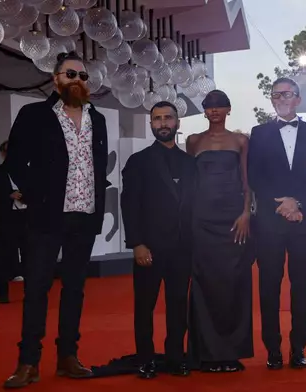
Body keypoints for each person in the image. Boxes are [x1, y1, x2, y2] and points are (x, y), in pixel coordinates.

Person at [3, 51, 109, 388]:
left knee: (75, 290)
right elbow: (15, 162)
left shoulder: (99, 119)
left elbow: (97, 165)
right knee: (36, 289)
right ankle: (28, 362)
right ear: (56, 78)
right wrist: (37, 196)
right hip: (48, 216)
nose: (77, 80)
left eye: (82, 76)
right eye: (70, 74)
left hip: (85, 216)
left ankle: (67, 357)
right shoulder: (34, 115)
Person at [248, 77, 306, 370]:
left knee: (301, 286)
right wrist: (282, 205)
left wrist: (298, 202)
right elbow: (254, 176)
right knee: (268, 286)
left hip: (304, 219)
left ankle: (298, 347)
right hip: (270, 221)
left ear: (298, 99)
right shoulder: (258, 133)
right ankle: (272, 348)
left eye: (287, 94)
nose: (281, 98)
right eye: (276, 94)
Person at [120, 101, 196, 379]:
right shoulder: (138, 161)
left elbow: (195, 205)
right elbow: (129, 205)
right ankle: (145, 359)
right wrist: (137, 243)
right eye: (157, 119)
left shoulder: (190, 163)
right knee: (144, 306)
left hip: (181, 248)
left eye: (168, 118)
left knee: (178, 305)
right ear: (151, 124)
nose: (162, 123)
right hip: (148, 248)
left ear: (177, 123)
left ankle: (176, 357)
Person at [185, 90, 254, 372]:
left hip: (232, 220)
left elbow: (247, 181)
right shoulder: (193, 141)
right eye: (209, 107)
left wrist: (246, 213)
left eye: (219, 107)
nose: (214, 111)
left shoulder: (240, 141)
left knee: (234, 283)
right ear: (204, 111)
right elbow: (189, 182)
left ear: (228, 110)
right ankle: (207, 354)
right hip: (201, 220)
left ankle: (231, 353)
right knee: (204, 283)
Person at [0, 141, 27, 304]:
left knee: (29, 257)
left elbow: (38, 193)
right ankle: (2, 293)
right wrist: (8, 195)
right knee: (3, 257)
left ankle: (30, 293)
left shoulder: (27, 172)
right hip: (6, 219)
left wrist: (24, 195)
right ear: (3, 154)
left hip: (26, 218)